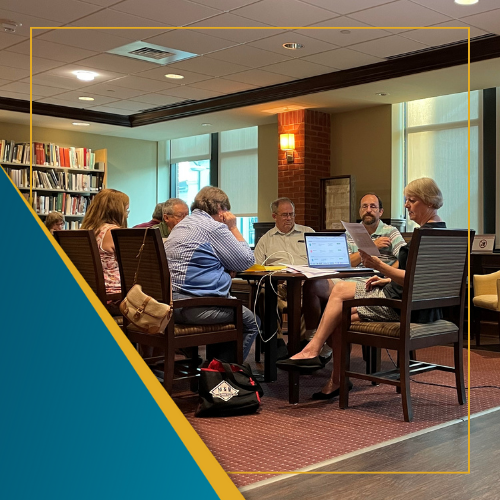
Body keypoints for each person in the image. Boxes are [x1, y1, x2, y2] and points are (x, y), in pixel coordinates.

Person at [277, 177, 445, 400]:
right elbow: (425, 278)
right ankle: (332, 373)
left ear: (429, 202)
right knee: (338, 313)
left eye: (411, 201)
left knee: (338, 297)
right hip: (421, 305)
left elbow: (414, 279)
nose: (406, 205)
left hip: (402, 307)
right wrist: (386, 279)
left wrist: (379, 266)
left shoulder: (423, 236)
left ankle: (314, 349)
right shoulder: (440, 232)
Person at [164, 186, 259, 362]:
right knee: (250, 322)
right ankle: (221, 376)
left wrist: (221, 268)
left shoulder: (182, 225)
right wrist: (233, 228)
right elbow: (246, 261)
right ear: (220, 209)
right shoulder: (214, 227)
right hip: (195, 307)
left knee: (231, 306)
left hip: (169, 305)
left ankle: (212, 370)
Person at [302, 193, 405, 343]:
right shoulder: (351, 232)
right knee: (312, 285)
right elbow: (345, 261)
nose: (368, 210)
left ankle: (325, 347)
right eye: (364, 206)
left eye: (373, 206)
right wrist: (371, 246)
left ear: (380, 212)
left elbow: (403, 259)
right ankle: (309, 337)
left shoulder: (391, 232)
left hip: (373, 282)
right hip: (348, 278)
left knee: (338, 305)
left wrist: (386, 275)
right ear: (360, 211)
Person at [253, 197, 315, 359]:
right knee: (264, 295)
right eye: (284, 215)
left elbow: (320, 262)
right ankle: (277, 341)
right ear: (274, 216)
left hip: (304, 286)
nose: (289, 218)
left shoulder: (308, 232)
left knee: (313, 295)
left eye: (292, 214)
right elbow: (256, 268)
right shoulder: (266, 239)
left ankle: (302, 343)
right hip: (277, 286)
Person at [81, 189, 129, 299]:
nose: (127, 216)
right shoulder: (113, 232)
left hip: (92, 291)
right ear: (117, 211)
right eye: (126, 210)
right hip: (115, 293)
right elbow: (132, 264)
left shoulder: (87, 230)